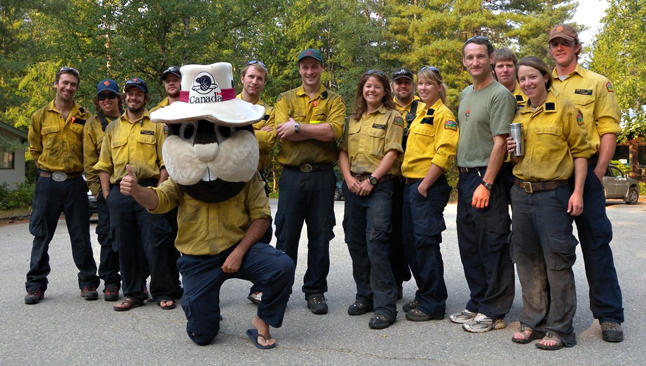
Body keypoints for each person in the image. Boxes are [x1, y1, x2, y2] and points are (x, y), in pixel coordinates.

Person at [130, 62, 294, 348]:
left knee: (281, 266)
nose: (206, 147)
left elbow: (261, 218)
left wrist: (239, 252)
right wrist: (136, 191)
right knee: (202, 335)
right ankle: (207, 312)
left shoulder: (243, 178)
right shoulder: (184, 178)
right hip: (197, 259)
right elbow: (159, 200)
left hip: (236, 250)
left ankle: (261, 321)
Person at [507, 56, 590, 350]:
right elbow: (516, 159)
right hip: (521, 192)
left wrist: (577, 192)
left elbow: (580, 153)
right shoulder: (518, 115)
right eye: (523, 79)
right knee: (527, 260)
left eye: (532, 77)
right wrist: (513, 152)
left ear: (545, 77)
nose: (527, 83)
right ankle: (533, 322)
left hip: (553, 195)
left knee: (557, 260)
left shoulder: (565, 109)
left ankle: (560, 328)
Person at [548, 24, 624, 343]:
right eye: (555, 43)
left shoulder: (597, 83)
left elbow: (608, 130)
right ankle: (553, 315)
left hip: (587, 172)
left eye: (565, 43)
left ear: (577, 47)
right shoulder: (539, 83)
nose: (560, 48)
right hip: (551, 177)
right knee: (553, 249)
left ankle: (609, 316)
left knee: (596, 243)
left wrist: (597, 172)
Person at [95, 77, 180, 311]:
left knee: (155, 243)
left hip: (148, 190)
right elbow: (104, 165)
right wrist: (106, 193)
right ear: (125, 98)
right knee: (124, 244)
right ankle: (133, 293)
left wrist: (159, 190)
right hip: (119, 193)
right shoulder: (112, 128)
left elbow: (166, 162)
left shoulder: (156, 124)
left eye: (138, 94)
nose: (134, 98)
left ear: (145, 97)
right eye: (130, 94)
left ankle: (162, 291)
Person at [452, 36, 516, 333]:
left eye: (480, 56)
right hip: (465, 178)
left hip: (484, 178)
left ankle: (494, 309)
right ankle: (477, 301)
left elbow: (500, 143)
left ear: (491, 59)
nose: (475, 62)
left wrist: (487, 183)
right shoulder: (466, 93)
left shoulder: (500, 95)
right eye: (469, 57)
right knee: (469, 245)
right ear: (463, 61)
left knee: (492, 244)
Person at [274, 48, 346, 314]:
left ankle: (315, 291)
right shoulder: (286, 98)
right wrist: (309, 130)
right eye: (304, 67)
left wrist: (298, 127)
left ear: (321, 68)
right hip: (292, 176)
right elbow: (282, 132)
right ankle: (279, 291)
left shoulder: (334, 99)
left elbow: (333, 132)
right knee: (286, 236)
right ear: (299, 70)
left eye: (314, 66)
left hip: (322, 176)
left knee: (320, 235)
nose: (309, 71)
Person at [25, 66, 100, 304]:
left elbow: (90, 150)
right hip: (47, 183)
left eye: (73, 84)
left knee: (80, 235)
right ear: (56, 84)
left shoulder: (85, 117)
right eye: (65, 83)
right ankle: (35, 285)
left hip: (75, 183)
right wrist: (46, 171)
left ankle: (88, 281)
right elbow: (35, 149)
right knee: (41, 234)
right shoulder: (40, 116)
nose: (68, 87)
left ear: (76, 88)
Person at [338, 70, 403, 329]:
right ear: (361, 90)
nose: (372, 90)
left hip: (380, 188)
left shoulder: (393, 117)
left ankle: (385, 307)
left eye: (377, 86)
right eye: (367, 86)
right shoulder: (352, 119)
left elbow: (393, 152)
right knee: (355, 242)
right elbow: (342, 151)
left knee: (377, 244)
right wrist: (349, 180)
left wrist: (372, 180)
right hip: (354, 187)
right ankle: (364, 295)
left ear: (385, 91)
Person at [401, 66, 458, 322]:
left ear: (439, 87)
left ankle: (434, 304)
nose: (423, 88)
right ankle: (425, 293)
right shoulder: (421, 111)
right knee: (413, 245)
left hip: (427, 186)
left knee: (426, 245)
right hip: (411, 184)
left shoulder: (444, 115)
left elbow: (445, 153)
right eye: (420, 83)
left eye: (428, 84)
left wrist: (424, 185)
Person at [237, 59, 277, 305]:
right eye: (251, 76)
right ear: (242, 78)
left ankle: (259, 287)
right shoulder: (227, 105)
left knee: (263, 230)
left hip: (256, 177)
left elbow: (270, 140)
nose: (254, 82)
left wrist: (241, 130)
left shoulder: (269, 111)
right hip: (228, 178)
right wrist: (256, 132)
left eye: (259, 78)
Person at [83, 79, 124, 301]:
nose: (106, 100)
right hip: (106, 188)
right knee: (107, 236)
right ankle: (110, 282)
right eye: (102, 97)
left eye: (111, 96)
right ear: (97, 101)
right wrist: (98, 190)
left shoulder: (128, 119)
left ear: (119, 98)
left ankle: (135, 281)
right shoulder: (92, 124)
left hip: (129, 187)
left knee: (131, 236)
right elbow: (89, 161)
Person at [389, 68, 421, 298]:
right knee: (391, 234)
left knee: (416, 235)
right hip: (390, 178)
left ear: (413, 85)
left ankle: (425, 287)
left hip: (415, 178)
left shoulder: (423, 106)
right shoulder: (385, 106)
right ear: (392, 86)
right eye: (398, 82)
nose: (403, 86)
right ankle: (396, 281)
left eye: (407, 83)